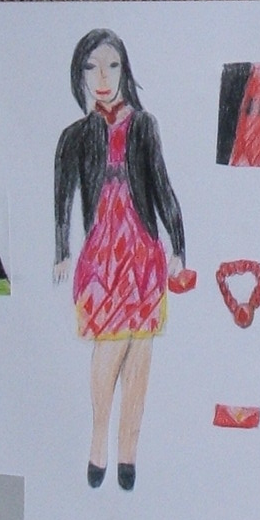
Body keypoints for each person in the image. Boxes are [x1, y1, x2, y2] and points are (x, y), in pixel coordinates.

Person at [54, 30, 186, 492]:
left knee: (140, 349)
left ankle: (128, 451)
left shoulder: (144, 126)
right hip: (102, 252)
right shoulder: (75, 136)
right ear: (79, 76)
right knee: (109, 344)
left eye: (112, 66)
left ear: (125, 71)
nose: (103, 78)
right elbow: (63, 197)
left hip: (143, 249)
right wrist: (62, 251)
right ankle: (98, 442)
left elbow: (162, 186)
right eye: (92, 68)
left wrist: (179, 246)